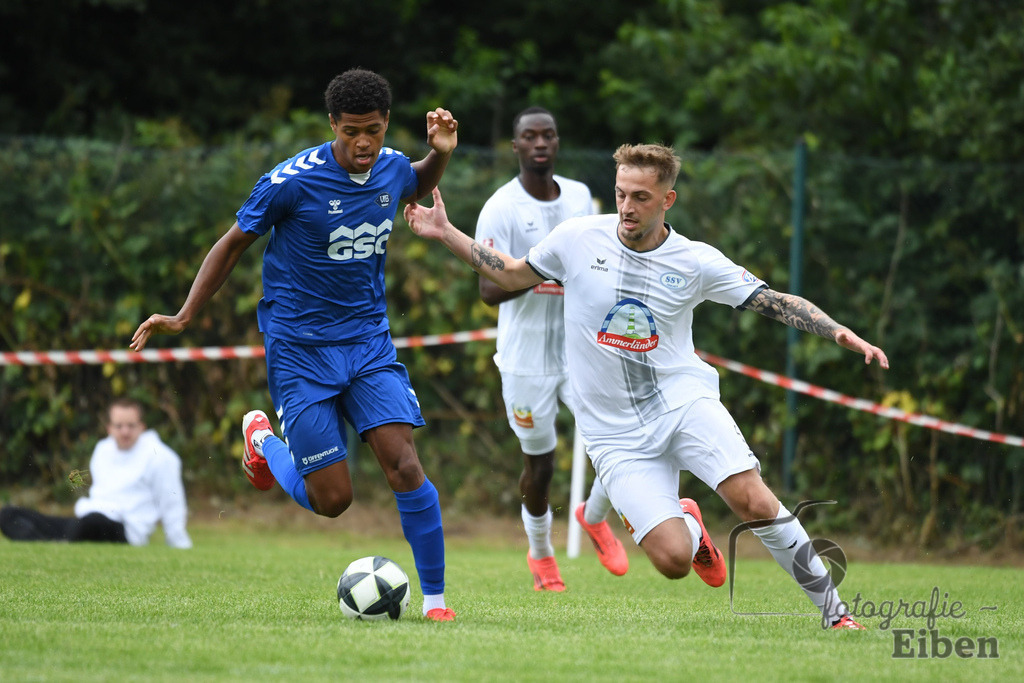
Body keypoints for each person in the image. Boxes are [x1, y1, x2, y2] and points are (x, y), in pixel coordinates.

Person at [404, 143, 891, 630]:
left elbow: (774, 300)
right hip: (614, 437)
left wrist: (836, 331)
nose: (627, 207)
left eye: (640, 197)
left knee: (753, 501)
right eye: (621, 194)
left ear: (667, 200)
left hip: (683, 403)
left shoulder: (694, 261)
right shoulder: (577, 238)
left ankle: (835, 614)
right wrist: (446, 232)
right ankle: (690, 526)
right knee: (673, 561)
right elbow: (510, 274)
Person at [129, 69, 458, 621]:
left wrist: (439, 155)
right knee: (333, 500)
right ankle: (263, 441)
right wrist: (184, 316)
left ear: (386, 124)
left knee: (404, 465)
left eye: (373, 130)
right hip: (300, 350)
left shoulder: (392, 166)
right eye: (351, 131)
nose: (363, 143)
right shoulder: (290, 182)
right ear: (332, 124)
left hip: (368, 343)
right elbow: (232, 244)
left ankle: (436, 604)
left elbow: (414, 182)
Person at [475, 106, 627, 591]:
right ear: (515, 145)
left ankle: (593, 516)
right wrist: (543, 270)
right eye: (529, 136)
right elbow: (489, 289)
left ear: (557, 143)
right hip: (525, 361)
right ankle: (541, 554)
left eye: (548, 135)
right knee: (540, 466)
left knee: (623, 441)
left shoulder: (580, 197)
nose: (540, 143)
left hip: (583, 353)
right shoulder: (500, 207)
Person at [0, 397, 192, 549]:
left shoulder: (160, 456)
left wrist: (178, 541)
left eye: (131, 426)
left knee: (94, 522)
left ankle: (60, 543)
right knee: (9, 515)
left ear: (142, 426)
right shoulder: (103, 449)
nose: (125, 432)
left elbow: (171, 501)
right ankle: (52, 543)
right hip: (88, 519)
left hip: (124, 529)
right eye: (119, 426)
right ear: (109, 428)